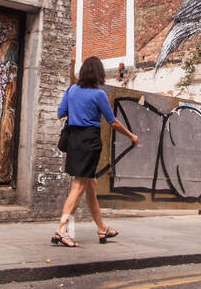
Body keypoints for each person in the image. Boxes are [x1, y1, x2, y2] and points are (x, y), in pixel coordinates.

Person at [53, 57, 138, 247]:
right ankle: (61, 229)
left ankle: (102, 228)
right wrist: (131, 135)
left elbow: (60, 113)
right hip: (89, 141)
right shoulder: (98, 95)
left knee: (91, 183)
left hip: (73, 140)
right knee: (78, 185)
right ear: (98, 73)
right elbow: (113, 122)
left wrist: (76, 109)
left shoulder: (71, 90)